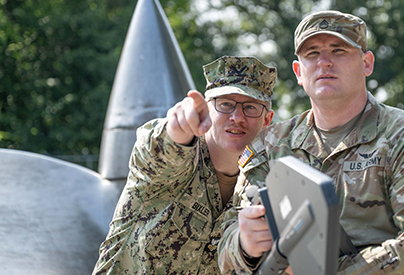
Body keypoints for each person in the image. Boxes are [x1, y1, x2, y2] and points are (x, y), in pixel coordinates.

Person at [218, 10, 404, 275]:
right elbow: (227, 241)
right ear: (299, 72)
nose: (324, 62)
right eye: (312, 54)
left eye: (339, 50)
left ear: (367, 63)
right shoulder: (272, 146)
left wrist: (323, 271)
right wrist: (244, 245)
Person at [92, 56, 276, 274]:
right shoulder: (179, 158)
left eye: (251, 107)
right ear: (208, 109)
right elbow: (158, 153)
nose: (237, 117)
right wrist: (177, 131)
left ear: (267, 119)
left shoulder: (262, 185)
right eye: (225, 104)